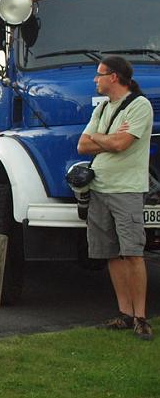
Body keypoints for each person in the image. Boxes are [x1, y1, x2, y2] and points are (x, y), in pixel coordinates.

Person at [77, 55, 153, 341]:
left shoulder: (139, 106)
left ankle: (141, 317)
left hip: (126, 189)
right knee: (111, 253)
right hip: (100, 188)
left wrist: (99, 139)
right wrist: (101, 139)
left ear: (115, 77)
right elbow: (82, 145)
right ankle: (125, 313)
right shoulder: (104, 108)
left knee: (132, 252)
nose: (95, 80)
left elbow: (123, 144)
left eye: (99, 74)